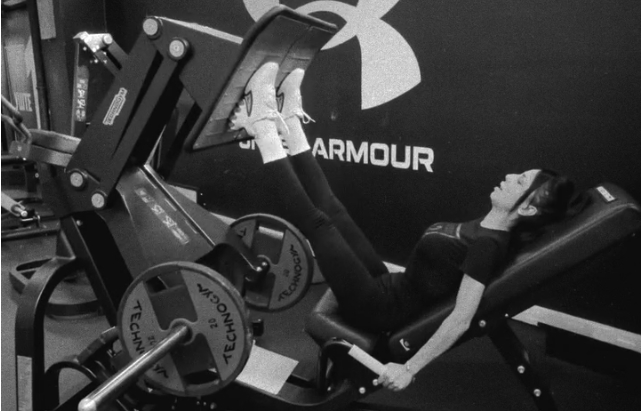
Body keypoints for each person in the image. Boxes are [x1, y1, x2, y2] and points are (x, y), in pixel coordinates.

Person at [229, 62, 576, 392]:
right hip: (387, 285)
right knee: (333, 209)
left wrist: (408, 369)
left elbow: (461, 318)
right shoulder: (490, 227)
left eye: (520, 182)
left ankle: (264, 127)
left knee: (318, 223)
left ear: (527, 208)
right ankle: (289, 119)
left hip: (375, 308)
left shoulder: (489, 246)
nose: (510, 177)